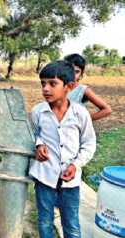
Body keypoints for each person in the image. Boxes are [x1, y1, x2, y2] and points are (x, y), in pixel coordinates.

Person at [30, 60, 96, 238]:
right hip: (44, 176)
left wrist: (76, 165)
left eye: (52, 83)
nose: (46, 89)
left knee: (72, 225)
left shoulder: (80, 114)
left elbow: (89, 144)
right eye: (43, 83)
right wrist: (39, 144)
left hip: (70, 181)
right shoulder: (38, 112)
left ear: (69, 87)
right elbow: (35, 133)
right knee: (44, 220)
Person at [53, 54, 112, 217]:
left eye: (77, 71)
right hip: (54, 133)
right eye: (69, 70)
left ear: (82, 72)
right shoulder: (57, 85)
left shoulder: (82, 89)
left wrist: (84, 120)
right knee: (53, 165)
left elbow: (106, 109)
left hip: (71, 136)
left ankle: (59, 206)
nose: (72, 74)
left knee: (68, 167)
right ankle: (52, 201)